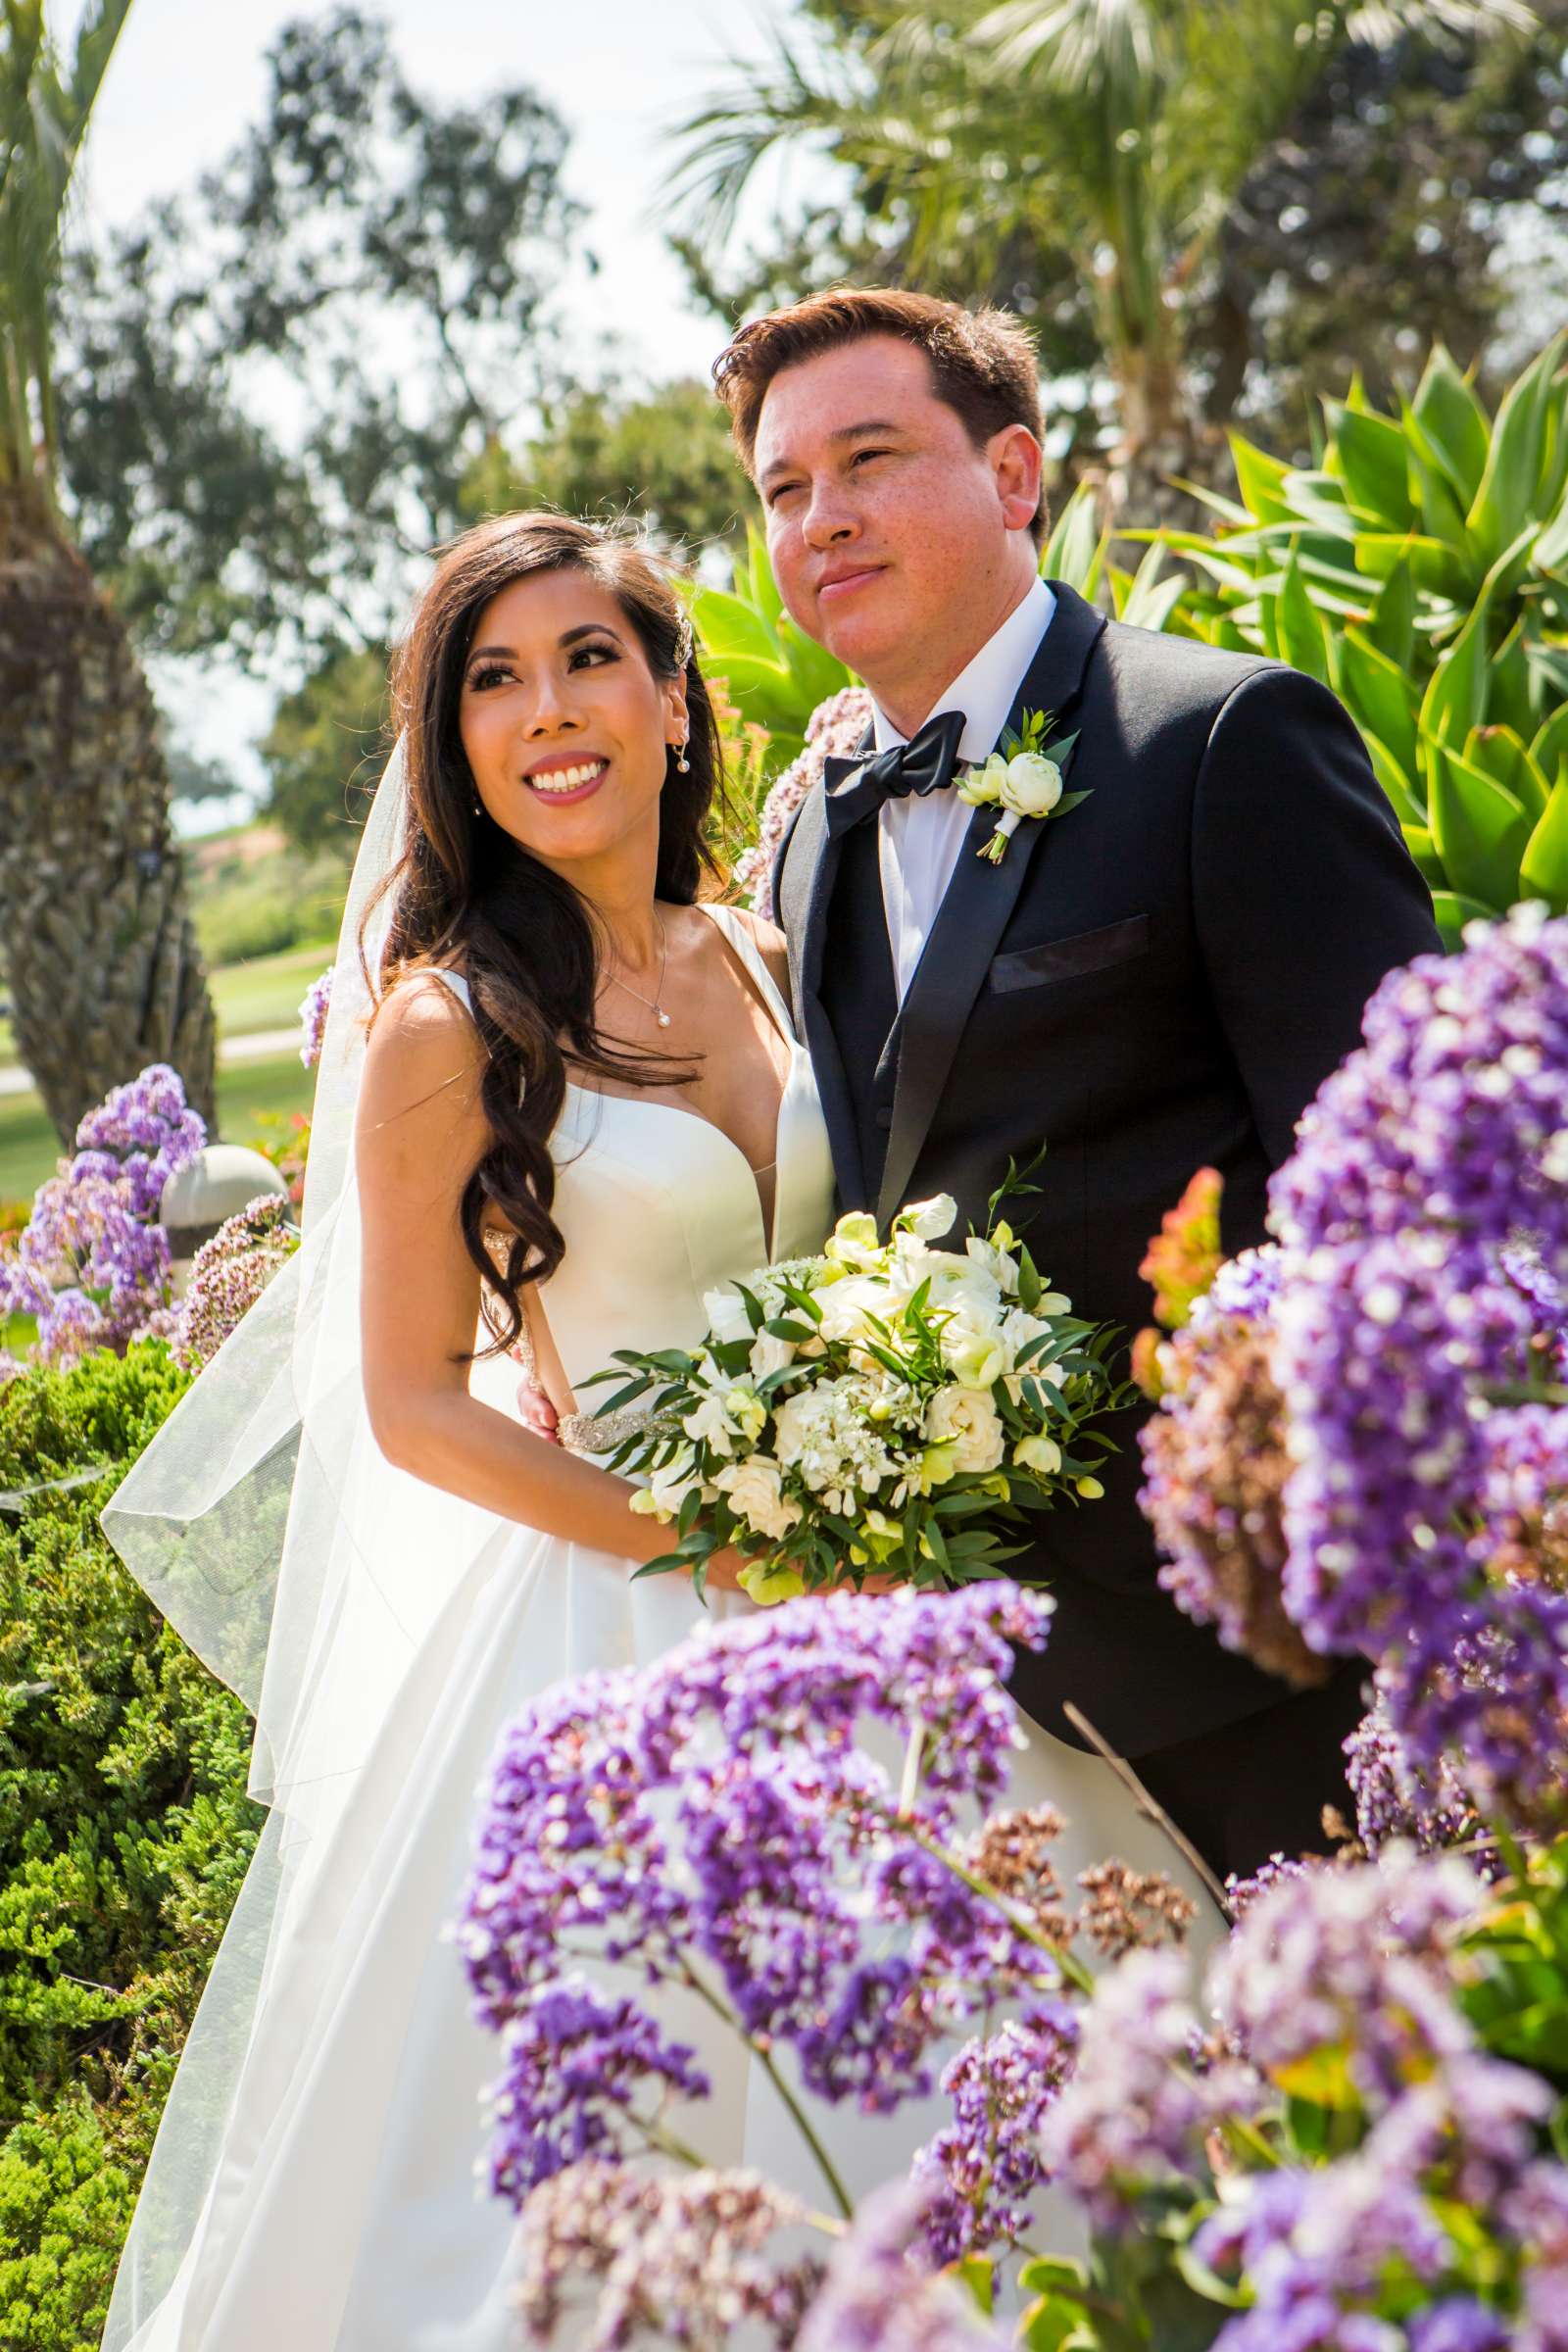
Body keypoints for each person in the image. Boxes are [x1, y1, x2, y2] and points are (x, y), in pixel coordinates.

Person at [99, 511, 1218, 2352]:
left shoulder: (769, 944)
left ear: (679, 697)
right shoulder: (444, 1028)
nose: (552, 711)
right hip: (619, 1617)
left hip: (875, 1590)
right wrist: (710, 1542)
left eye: (592, 659)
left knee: (1039, 2061)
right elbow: (411, 1405)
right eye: (494, 679)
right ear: (452, 743)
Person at [717, 287, 1444, 1884]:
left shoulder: (1223, 741)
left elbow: (1403, 1195)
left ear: (1017, 473)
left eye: (870, 458)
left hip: (1263, 1661)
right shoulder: (813, 834)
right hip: (976, 1697)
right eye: (784, 490)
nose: (822, 518)